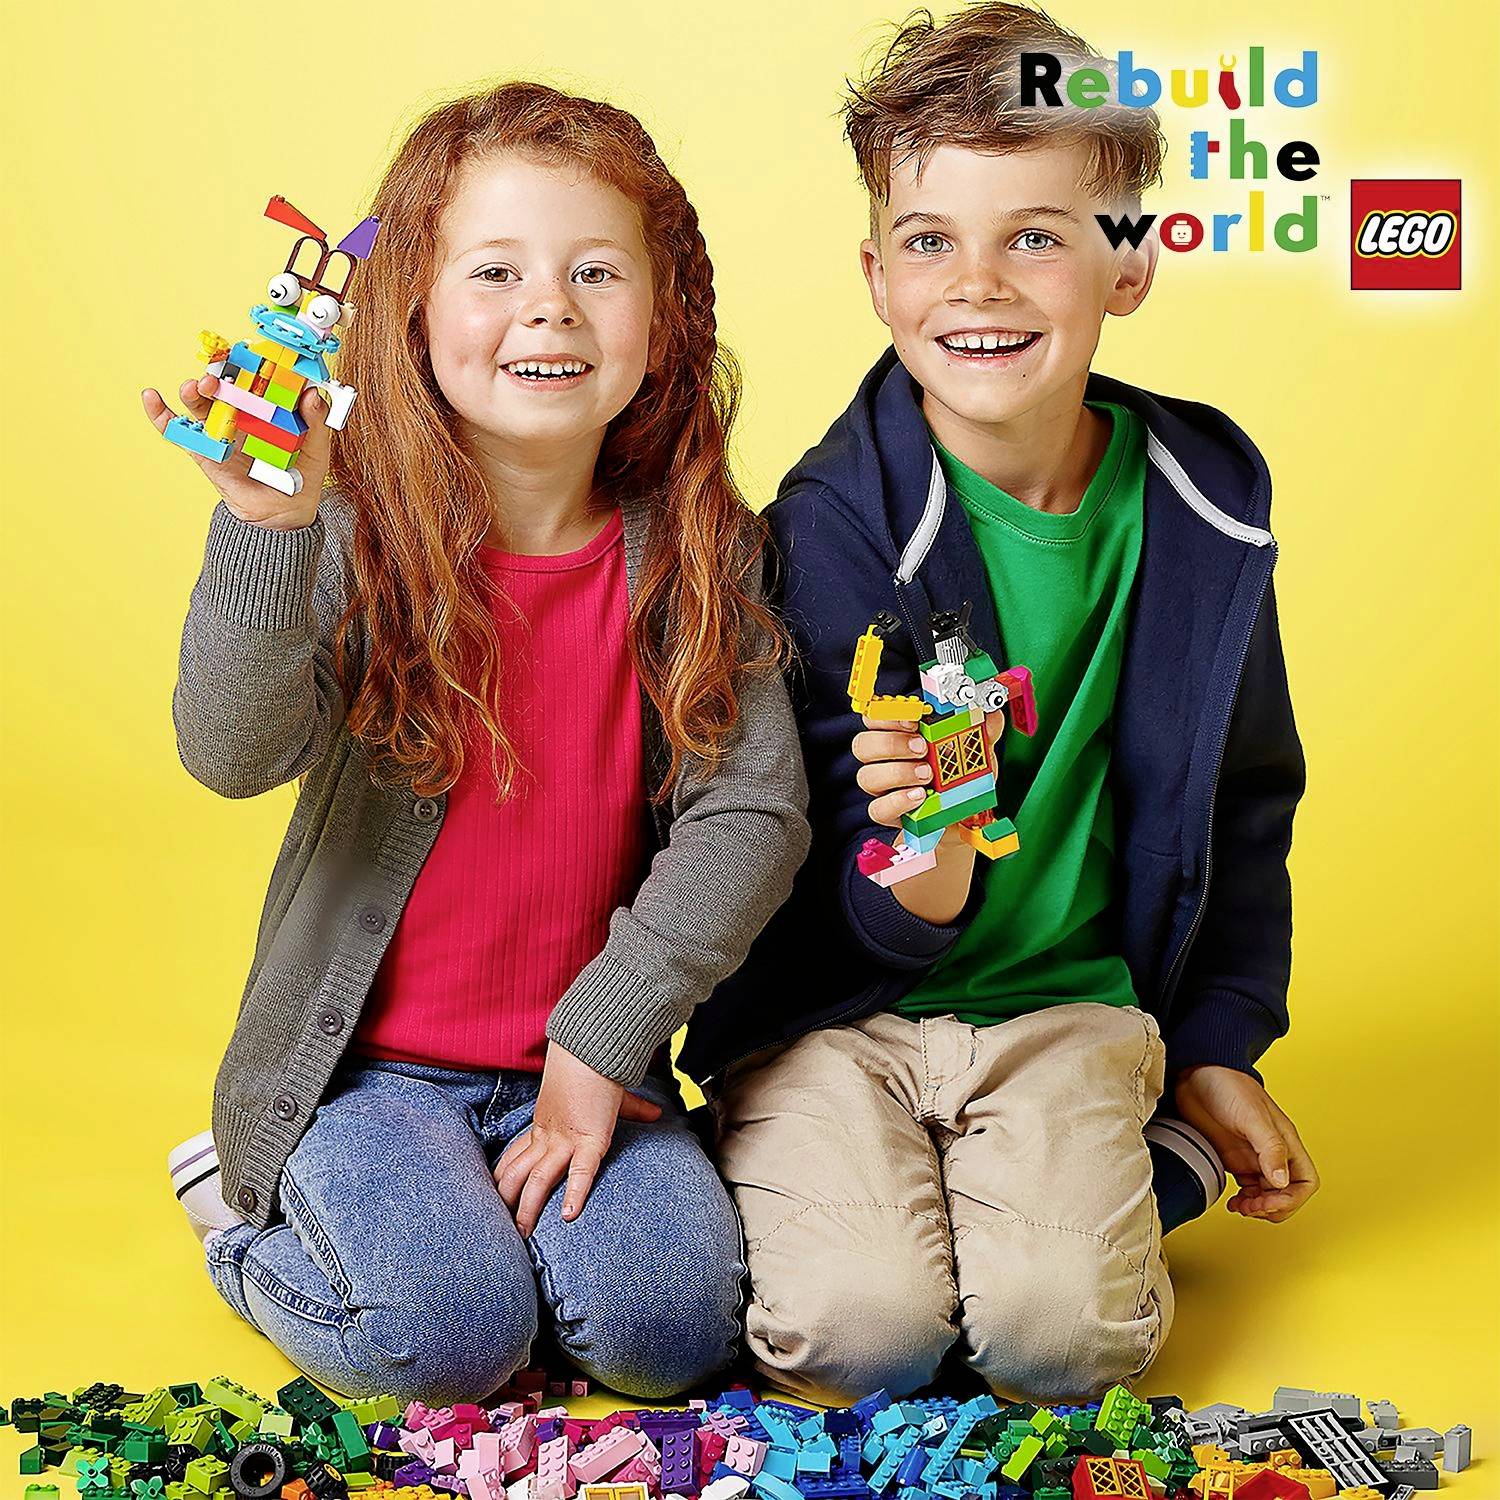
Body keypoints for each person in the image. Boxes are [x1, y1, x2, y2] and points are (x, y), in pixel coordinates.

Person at [684, 3, 1316, 1403]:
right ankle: (833, 1174)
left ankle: (1157, 1148)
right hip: (834, 1017)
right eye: (929, 241)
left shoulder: (1205, 511)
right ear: (876, 274)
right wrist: (925, 871)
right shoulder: (825, 533)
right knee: (863, 1337)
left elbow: (1246, 801)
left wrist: (1215, 1046)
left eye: (1036, 236)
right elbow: (776, 863)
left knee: (1058, 1346)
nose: (977, 285)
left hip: (1067, 1011)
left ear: (1129, 260)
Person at [145, 80, 809, 1405]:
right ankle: (246, 1216)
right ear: (414, 311)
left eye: (595, 272)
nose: (549, 308)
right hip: (367, 1074)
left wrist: (600, 1043)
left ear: (666, 317)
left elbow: (753, 817)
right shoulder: (346, 529)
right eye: (496, 271)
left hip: (586, 1060)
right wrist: (270, 534)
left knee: (670, 1334)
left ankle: (463, 1236)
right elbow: (229, 752)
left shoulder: (697, 553)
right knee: (449, 1343)